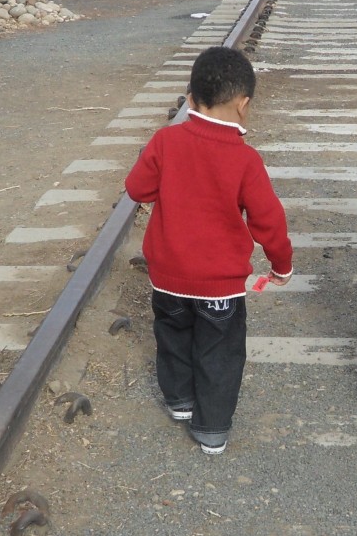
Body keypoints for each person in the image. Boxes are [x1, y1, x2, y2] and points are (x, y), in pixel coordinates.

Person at [125, 46, 293, 455]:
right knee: (220, 351)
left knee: (173, 334)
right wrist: (281, 265)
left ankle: (180, 401)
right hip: (220, 287)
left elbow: (137, 189)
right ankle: (212, 428)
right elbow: (268, 220)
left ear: (192, 96)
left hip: (167, 275)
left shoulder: (166, 142)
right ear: (244, 104)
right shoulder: (245, 159)